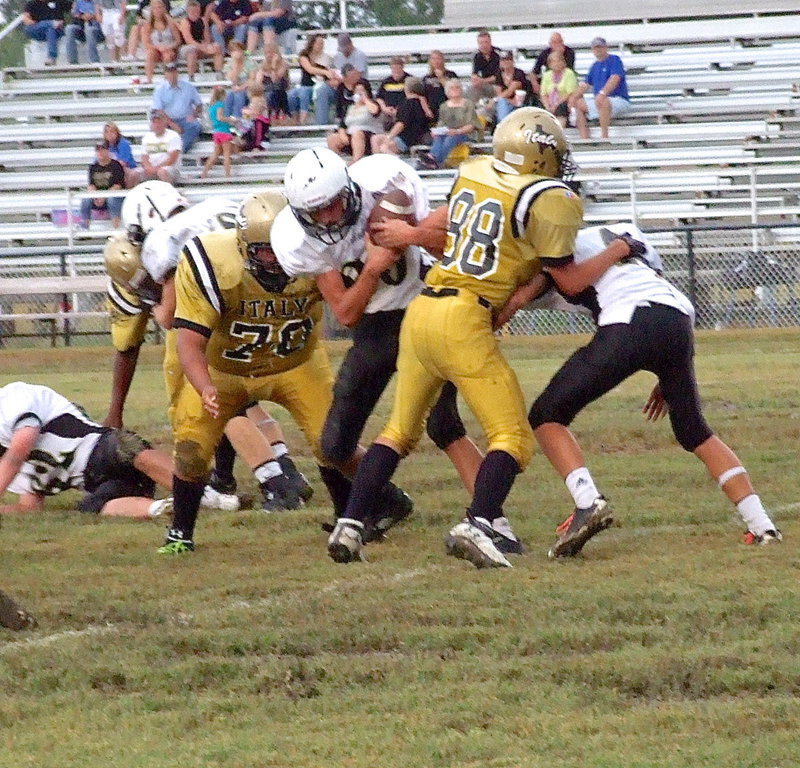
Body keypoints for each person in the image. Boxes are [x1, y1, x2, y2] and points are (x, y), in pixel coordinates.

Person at [324, 108, 584, 567]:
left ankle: (351, 523)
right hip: (466, 316)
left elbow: (452, 225)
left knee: (398, 430)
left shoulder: (476, 172)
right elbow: (570, 280)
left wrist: (411, 233)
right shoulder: (549, 197)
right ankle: (479, 521)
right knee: (512, 436)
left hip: (423, 311)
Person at [493, 222, 783, 557]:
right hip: (676, 321)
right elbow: (667, 296)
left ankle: (588, 502)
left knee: (547, 415)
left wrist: (484, 328)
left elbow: (525, 294)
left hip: (628, 319)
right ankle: (762, 526)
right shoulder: (619, 237)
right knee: (694, 432)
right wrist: (668, 369)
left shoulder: (554, 253)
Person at [161, 191, 406, 553]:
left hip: (296, 362)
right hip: (224, 367)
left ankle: (355, 515)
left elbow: (351, 307)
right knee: (191, 450)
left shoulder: (315, 251)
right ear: (244, 246)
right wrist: (205, 386)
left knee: (332, 443)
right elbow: (189, 341)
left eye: (281, 247)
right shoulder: (212, 260)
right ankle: (180, 533)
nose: (277, 260)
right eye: (265, 251)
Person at [275, 149, 484, 533]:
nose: (328, 218)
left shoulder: (386, 181)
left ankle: (488, 516)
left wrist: (411, 234)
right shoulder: (294, 236)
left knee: (443, 423)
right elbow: (346, 313)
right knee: (335, 446)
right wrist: (372, 270)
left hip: (425, 310)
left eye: (333, 205)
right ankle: (387, 500)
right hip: (373, 328)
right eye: (316, 212)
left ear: (349, 190)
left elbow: (447, 242)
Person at [112, 182, 312, 510]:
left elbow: (170, 316)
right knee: (244, 402)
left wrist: (146, 294)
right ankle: (285, 470)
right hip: (258, 312)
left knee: (218, 402)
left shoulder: (169, 238)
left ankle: (276, 483)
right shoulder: (213, 209)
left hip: (215, 326)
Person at [0, 380, 173, 520]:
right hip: (96, 482)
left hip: (101, 448)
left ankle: (196, 491)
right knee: (93, 507)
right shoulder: (8, 461)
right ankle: (160, 508)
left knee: (127, 450)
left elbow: (19, 449)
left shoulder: (12, 399)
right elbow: (29, 506)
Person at [570, 37, 631, 140]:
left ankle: (604, 136)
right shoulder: (594, 66)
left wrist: (603, 93)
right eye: (595, 48)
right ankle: (584, 138)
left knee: (604, 101)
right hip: (601, 101)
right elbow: (585, 84)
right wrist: (573, 97)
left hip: (618, 99)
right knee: (578, 103)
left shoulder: (614, 60)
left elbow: (615, 78)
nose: (598, 50)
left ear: (605, 47)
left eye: (600, 47)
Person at [419, 78, 480, 170]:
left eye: (457, 87)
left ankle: (434, 160)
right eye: (452, 88)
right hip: (448, 132)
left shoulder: (468, 104)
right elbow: (441, 123)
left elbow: (471, 125)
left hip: (466, 132)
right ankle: (432, 158)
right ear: (447, 91)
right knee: (438, 137)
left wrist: (457, 131)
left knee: (451, 138)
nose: (455, 90)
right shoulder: (444, 106)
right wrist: (436, 131)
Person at [371, 77, 432, 156]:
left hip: (406, 138)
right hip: (417, 135)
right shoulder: (422, 102)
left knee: (384, 147)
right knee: (375, 138)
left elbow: (401, 124)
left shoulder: (408, 103)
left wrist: (389, 137)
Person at [151, 61, 203, 152]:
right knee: (155, 126)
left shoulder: (188, 87)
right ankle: (161, 151)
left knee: (195, 126)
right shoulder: (159, 89)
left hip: (185, 119)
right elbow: (158, 110)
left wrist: (194, 115)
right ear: (165, 75)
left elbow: (199, 104)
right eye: (169, 72)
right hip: (165, 119)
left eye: (174, 72)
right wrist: (172, 124)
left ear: (177, 73)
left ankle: (177, 150)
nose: (172, 75)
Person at [327, 79, 382, 162]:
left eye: (361, 91)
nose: (359, 93)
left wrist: (365, 100)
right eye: (357, 91)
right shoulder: (350, 107)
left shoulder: (373, 104)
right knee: (333, 138)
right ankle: (338, 162)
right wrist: (342, 134)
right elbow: (342, 124)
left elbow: (374, 111)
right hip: (351, 134)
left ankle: (356, 160)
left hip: (368, 135)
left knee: (358, 134)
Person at [288, 33, 336, 126]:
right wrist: (324, 72)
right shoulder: (304, 56)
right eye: (318, 43)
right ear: (312, 44)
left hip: (317, 86)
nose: (321, 46)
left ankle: (303, 121)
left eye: (322, 43)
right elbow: (309, 69)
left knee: (304, 92)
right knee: (291, 94)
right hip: (305, 85)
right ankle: (294, 119)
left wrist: (328, 73)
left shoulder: (326, 58)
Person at [79, 141, 124, 228]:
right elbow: (91, 185)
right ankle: (84, 227)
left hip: (114, 195)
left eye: (102, 149)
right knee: (85, 200)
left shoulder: (116, 166)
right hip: (98, 196)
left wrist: (104, 196)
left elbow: (117, 185)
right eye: (98, 150)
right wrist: (95, 196)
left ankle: (116, 228)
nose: (100, 152)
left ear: (107, 151)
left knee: (112, 200)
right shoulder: (93, 167)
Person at [134, 109, 182, 183]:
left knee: (162, 172)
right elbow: (144, 157)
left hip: (169, 169)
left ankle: (168, 193)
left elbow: (172, 159)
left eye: (159, 122)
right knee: (133, 174)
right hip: (151, 168)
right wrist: (148, 168)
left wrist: (156, 169)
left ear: (165, 123)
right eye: (154, 122)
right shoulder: (147, 137)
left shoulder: (173, 136)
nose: (157, 125)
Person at [179, 0, 223, 78]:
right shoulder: (185, 22)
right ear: (188, 11)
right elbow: (188, 40)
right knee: (192, 50)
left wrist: (207, 46)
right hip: (186, 47)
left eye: (197, 11)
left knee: (217, 47)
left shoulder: (203, 21)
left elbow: (207, 38)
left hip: (200, 45)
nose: (195, 13)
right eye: (192, 11)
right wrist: (202, 47)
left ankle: (219, 73)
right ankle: (191, 76)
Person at [202, 85, 237, 177]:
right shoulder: (220, 104)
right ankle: (227, 174)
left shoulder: (211, 106)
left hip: (216, 132)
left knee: (215, 154)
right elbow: (220, 117)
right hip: (224, 131)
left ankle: (204, 172)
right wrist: (231, 119)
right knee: (226, 154)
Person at [142, 0, 180, 84]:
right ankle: (149, 80)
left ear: (163, 9)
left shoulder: (170, 22)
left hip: (169, 47)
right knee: (150, 55)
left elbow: (177, 41)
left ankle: (168, 79)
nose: (158, 10)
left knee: (167, 56)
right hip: (155, 48)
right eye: (155, 8)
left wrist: (168, 47)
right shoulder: (148, 24)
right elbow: (146, 43)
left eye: (160, 8)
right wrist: (158, 48)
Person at [22, 0, 69, 66]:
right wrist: (36, 24)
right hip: (39, 30)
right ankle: (51, 23)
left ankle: (52, 57)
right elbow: (26, 19)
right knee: (28, 29)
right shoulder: (32, 3)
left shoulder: (58, 2)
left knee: (51, 29)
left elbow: (74, 7)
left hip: (57, 30)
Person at [539, 51, 579, 128]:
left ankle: (559, 131)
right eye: (554, 62)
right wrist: (547, 105)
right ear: (550, 64)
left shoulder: (569, 73)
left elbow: (570, 93)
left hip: (564, 102)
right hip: (550, 103)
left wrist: (556, 104)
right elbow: (543, 94)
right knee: (542, 109)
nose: (557, 64)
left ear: (563, 62)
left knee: (560, 108)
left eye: (559, 61)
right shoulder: (547, 75)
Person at [529, 31, 575, 97]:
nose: (558, 44)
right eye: (555, 42)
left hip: (564, 80)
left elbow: (566, 69)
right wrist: (535, 84)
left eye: (560, 41)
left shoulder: (569, 52)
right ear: (550, 44)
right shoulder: (545, 53)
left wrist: (559, 54)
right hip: (548, 79)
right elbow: (534, 71)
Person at [494, 50, 531, 122]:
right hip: (507, 102)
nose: (505, 62)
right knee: (501, 103)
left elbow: (510, 91)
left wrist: (495, 99)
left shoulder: (519, 73)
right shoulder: (499, 74)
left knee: (501, 102)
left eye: (508, 60)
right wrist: (505, 100)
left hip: (520, 102)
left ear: (512, 61)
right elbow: (499, 92)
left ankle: (503, 123)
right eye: (503, 60)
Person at [422, 49, 458, 120]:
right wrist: (426, 110)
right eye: (433, 59)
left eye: (438, 58)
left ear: (442, 60)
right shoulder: (426, 78)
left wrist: (441, 78)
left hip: (448, 108)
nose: (436, 61)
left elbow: (453, 91)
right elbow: (422, 96)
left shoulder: (451, 75)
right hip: (432, 110)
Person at [375, 56, 410, 128]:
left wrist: (399, 110)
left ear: (402, 67)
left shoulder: (409, 80)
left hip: (404, 112)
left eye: (398, 68)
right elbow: (379, 98)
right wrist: (384, 108)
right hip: (387, 112)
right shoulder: (386, 82)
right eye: (394, 68)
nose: (396, 71)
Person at [468, 29, 500, 103]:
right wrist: (475, 79)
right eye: (481, 43)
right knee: (471, 89)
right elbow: (474, 74)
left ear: (490, 42)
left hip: (497, 86)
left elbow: (498, 77)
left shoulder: (498, 55)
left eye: (486, 42)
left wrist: (482, 81)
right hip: (484, 85)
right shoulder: (477, 56)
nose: (484, 45)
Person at [64, 0, 102, 64]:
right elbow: (74, 14)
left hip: (96, 28)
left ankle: (94, 61)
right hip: (81, 26)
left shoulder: (97, 2)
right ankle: (72, 61)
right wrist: (82, 16)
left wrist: (92, 16)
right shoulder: (78, 2)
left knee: (89, 30)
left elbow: (102, 14)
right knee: (69, 28)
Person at [103, 121, 138, 187]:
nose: (109, 134)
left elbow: (122, 163)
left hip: (127, 168)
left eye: (112, 131)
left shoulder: (124, 144)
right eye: (107, 132)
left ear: (117, 133)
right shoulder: (104, 146)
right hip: (111, 168)